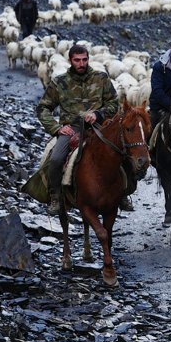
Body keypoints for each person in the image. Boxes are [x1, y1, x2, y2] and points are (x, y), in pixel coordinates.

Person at [36, 44, 119, 215]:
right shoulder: (59, 82)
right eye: (77, 60)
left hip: (99, 127)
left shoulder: (101, 78)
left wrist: (98, 113)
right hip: (72, 130)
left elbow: (114, 103)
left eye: (84, 60)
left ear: (88, 59)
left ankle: (123, 193)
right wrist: (57, 128)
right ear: (70, 61)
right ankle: (55, 197)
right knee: (57, 159)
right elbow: (43, 108)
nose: (81, 64)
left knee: (122, 152)